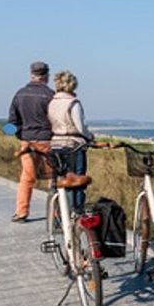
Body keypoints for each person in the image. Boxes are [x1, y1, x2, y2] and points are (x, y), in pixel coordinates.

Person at [7, 61, 55, 222]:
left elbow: (10, 124)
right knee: (53, 178)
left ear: (31, 74)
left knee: (27, 178)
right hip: (47, 140)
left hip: (27, 142)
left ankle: (21, 212)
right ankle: (55, 214)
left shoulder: (19, 94)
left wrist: (21, 136)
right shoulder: (50, 95)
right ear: (46, 76)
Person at [48, 70, 94, 212]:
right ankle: (77, 212)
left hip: (55, 144)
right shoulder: (73, 103)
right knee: (77, 181)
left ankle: (59, 214)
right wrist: (90, 137)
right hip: (73, 145)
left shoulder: (52, 102)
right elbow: (80, 127)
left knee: (61, 180)